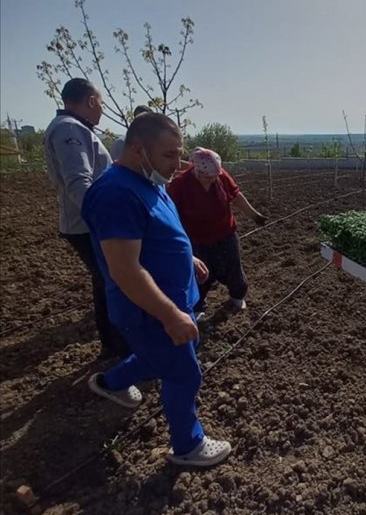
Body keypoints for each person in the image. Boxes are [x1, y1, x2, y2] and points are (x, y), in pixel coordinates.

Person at [81, 114, 231, 468]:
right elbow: (125, 269)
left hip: (172, 301)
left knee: (158, 356)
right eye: (169, 155)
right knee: (184, 373)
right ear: (138, 150)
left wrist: (187, 256)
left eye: (180, 154)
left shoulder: (150, 182)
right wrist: (170, 315)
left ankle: (111, 382)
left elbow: (157, 234)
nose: (178, 165)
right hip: (149, 311)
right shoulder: (115, 193)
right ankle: (187, 446)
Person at [43, 77, 128, 358]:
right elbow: (79, 183)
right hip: (88, 224)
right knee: (112, 281)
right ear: (91, 101)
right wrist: (105, 221)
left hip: (91, 221)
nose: (101, 110)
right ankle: (116, 346)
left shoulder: (75, 128)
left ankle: (114, 342)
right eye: (101, 103)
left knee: (106, 280)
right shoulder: (69, 130)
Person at [168, 148, 266, 317]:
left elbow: (235, 196)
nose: (213, 178)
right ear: (196, 171)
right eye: (208, 176)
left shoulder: (220, 177)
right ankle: (198, 306)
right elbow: (170, 214)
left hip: (225, 234)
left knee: (233, 268)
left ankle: (237, 297)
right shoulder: (180, 186)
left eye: (215, 175)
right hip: (197, 239)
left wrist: (255, 216)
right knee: (200, 275)